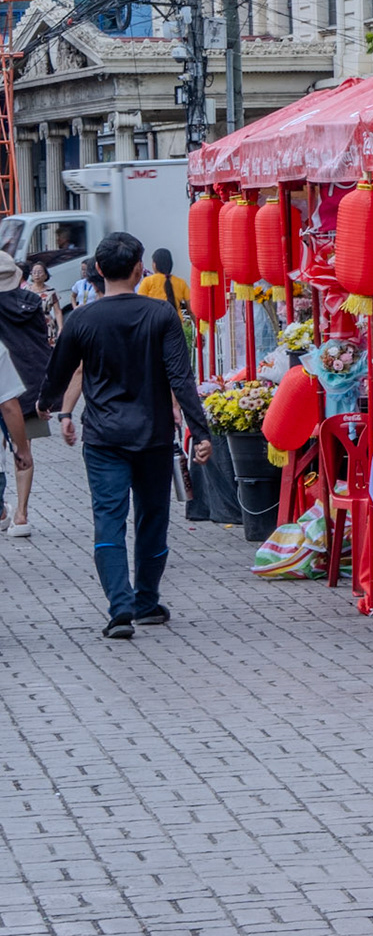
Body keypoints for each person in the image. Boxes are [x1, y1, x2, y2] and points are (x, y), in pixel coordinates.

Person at [41, 232, 214, 640]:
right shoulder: (161, 315)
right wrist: (200, 430)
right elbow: (181, 377)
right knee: (153, 520)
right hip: (153, 436)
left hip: (102, 438)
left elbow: (58, 372)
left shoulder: (82, 318)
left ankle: (119, 607)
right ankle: (147, 601)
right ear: (140, 269)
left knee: (109, 521)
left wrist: (48, 404)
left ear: (98, 270)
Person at [0, 251, 49, 536]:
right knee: (25, 449)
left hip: (3, 384)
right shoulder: (32, 302)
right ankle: (21, 514)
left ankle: (2, 510)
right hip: (28, 383)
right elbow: (41, 341)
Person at [136, 248, 191, 321]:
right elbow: (191, 309)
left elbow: (140, 305)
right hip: (176, 323)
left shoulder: (147, 281)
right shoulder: (181, 282)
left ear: (154, 264)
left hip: (153, 323)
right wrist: (199, 328)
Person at [25, 262, 61, 338]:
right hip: (30, 324)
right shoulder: (25, 290)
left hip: (46, 325)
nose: (37, 274)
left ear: (45, 275)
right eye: (34, 272)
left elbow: (57, 311)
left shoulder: (51, 291)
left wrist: (60, 327)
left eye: (40, 272)